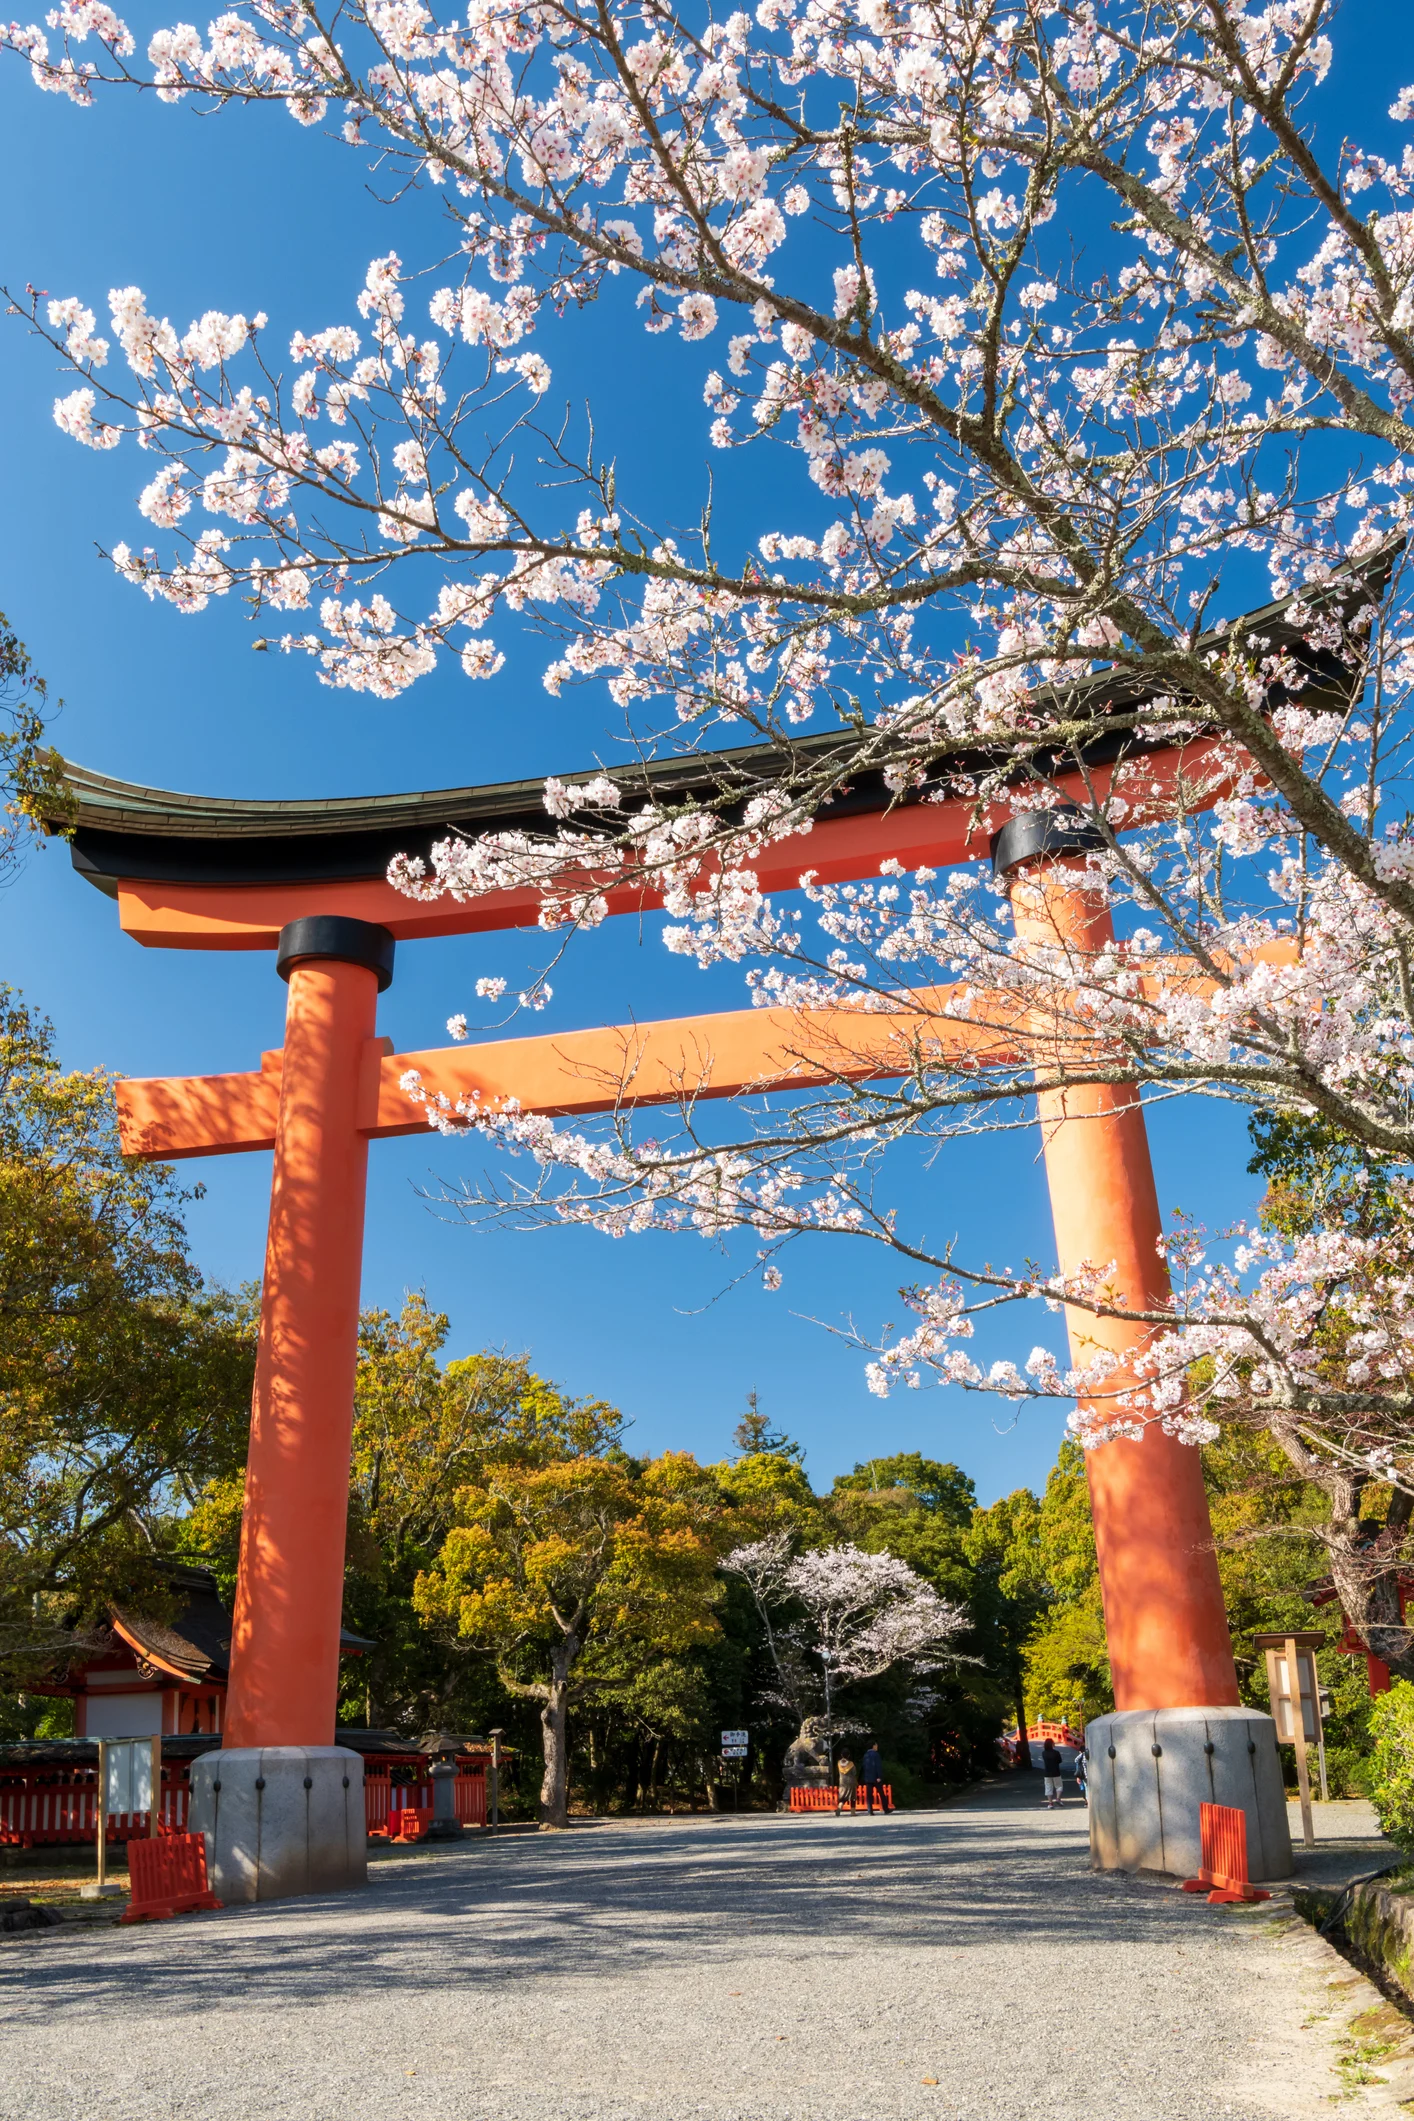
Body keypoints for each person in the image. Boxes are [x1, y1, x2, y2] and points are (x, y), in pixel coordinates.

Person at [860, 1740, 891, 1814]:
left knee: (869, 1795)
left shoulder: (865, 1755)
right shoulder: (876, 1754)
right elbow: (878, 1766)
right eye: (876, 1745)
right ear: (873, 1746)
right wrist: (879, 1776)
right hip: (876, 1777)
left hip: (868, 1778)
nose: (877, 1747)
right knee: (881, 1793)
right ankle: (885, 1809)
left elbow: (863, 1766)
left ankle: (870, 1810)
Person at [1041, 1736, 1064, 1808]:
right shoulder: (1056, 1752)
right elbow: (1060, 1761)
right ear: (1052, 1744)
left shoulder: (1043, 1753)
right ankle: (1058, 1798)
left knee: (1048, 1787)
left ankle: (1050, 1803)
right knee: (1059, 1786)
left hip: (1047, 1773)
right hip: (1056, 1772)